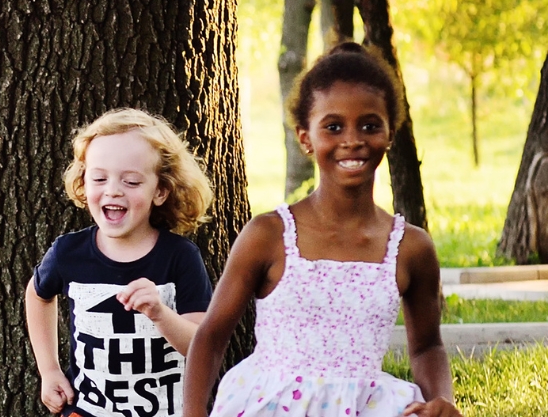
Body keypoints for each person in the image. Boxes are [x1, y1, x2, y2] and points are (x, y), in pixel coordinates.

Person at [182, 43, 459, 417]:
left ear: (390, 133)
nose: (353, 139)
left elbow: (427, 346)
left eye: (370, 125)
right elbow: (211, 336)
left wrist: (442, 399)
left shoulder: (411, 247)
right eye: (333, 126)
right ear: (305, 138)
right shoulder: (269, 234)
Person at [24, 108, 217, 417]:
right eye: (99, 178)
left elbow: (202, 347)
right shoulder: (68, 252)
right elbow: (37, 295)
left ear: (160, 191)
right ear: (83, 183)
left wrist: (160, 313)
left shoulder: (180, 257)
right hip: (88, 410)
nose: (112, 189)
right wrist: (49, 370)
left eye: (130, 181)